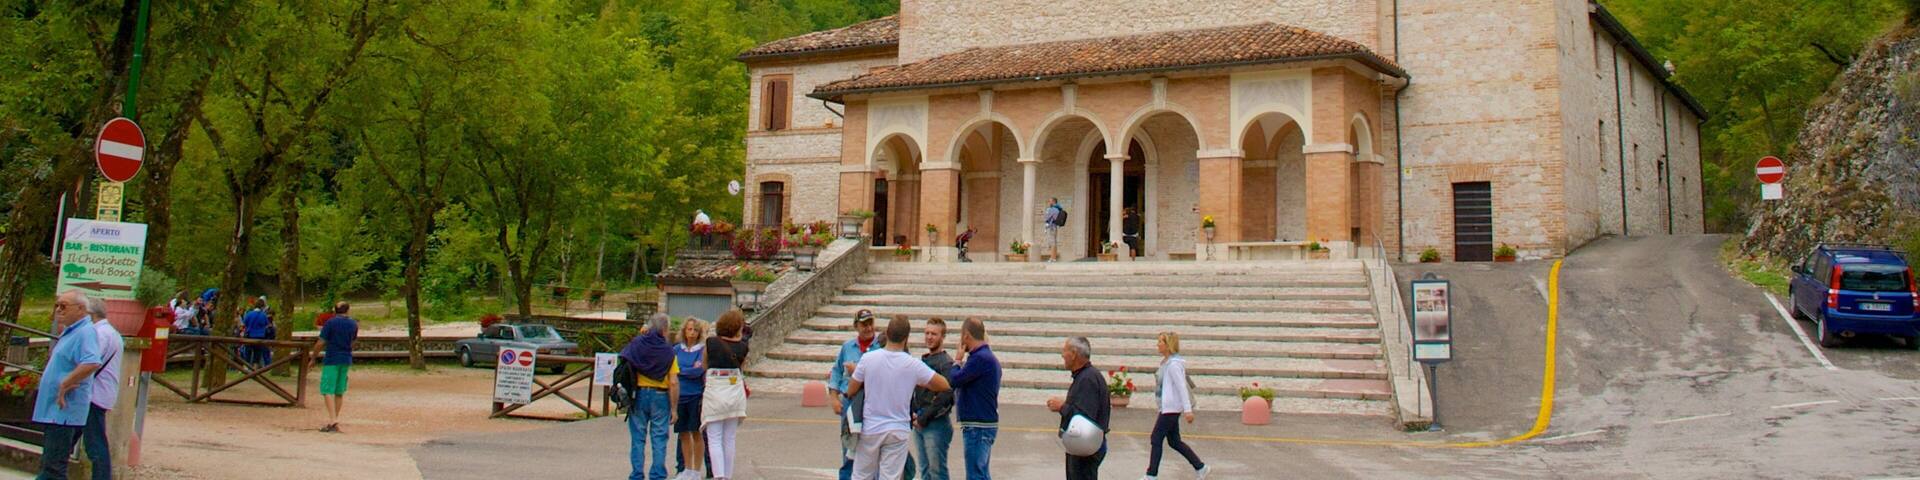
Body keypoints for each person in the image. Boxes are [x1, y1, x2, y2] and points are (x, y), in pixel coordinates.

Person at [844, 317, 951, 480]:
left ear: (887, 333)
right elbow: (944, 384)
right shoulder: (913, 364)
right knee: (890, 476)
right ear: (906, 338)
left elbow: (851, 389)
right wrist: (920, 382)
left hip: (870, 427)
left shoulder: (868, 359)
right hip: (897, 428)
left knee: (861, 475)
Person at [35, 291, 102, 479]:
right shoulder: (73, 331)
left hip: (64, 412)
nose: (58, 310)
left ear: (81, 309)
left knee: (52, 470)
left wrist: (66, 382)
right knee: (50, 466)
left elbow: (92, 361)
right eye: (57, 305)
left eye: (63, 306)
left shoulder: (85, 332)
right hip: (55, 412)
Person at [1141, 333, 1208, 480]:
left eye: (1160, 342)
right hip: (1166, 407)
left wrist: (1188, 410)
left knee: (1156, 438)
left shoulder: (1173, 365)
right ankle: (1200, 466)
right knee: (1174, 441)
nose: (1157, 344)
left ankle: (1151, 474)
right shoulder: (1166, 363)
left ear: (1168, 344)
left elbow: (1181, 388)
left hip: (1171, 409)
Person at [622, 313, 680, 480]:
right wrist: (674, 408)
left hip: (638, 393)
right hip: (660, 395)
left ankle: (637, 474)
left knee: (638, 437)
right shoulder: (668, 351)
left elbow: (626, 359)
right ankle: (657, 474)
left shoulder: (638, 344)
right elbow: (674, 382)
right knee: (659, 437)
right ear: (664, 330)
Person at [1046, 337, 1109, 480]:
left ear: (1074, 354)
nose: (1062, 355)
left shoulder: (1088, 379)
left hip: (1085, 449)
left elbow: (1085, 419)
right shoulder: (1085, 376)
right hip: (1082, 447)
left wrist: (1062, 407)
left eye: (1065, 351)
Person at [948, 318, 1001, 480]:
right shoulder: (986, 357)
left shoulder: (979, 358)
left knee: (975, 474)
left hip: (978, 426)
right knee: (981, 473)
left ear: (966, 336)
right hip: (983, 423)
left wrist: (957, 360)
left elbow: (955, 379)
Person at [702, 310, 751, 480]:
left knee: (714, 437)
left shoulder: (711, 343)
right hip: (734, 391)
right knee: (729, 438)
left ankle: (719, 475)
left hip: (715, 389)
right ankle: (728, 475)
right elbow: (741, 366)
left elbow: (704, 364)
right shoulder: (743, 347)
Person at [831, 310, 880, 480]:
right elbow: (836, 372)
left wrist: (857, 370)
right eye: (864, 324)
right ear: (856, 326)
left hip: (872, 404)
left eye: (870, 323)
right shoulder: (847, 347)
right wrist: (834, 397)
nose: (868, 328)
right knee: (849, 450)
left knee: (873, 454)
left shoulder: (880, 346)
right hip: (850, 404)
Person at [911, 318, 957, 480]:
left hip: (936, 423)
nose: (929, 337)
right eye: (927, 333)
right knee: (924, 471)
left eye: (934, 334)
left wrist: (924, 418)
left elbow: (946, 397)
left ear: (942, 337)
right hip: (919, 421)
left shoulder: (946, 364)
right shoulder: (922, 360)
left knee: (937, 471)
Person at [81, 296, 121, 480]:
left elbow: (91, 362)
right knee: (81, 438)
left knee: (95, 444)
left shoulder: (100, 334)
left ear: (90, 314)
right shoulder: (109, 332)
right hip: (99, 393)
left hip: (94, 395)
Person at [314, 302, 359, 433]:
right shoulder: (353, 324)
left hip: (332, 358)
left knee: (327, 389)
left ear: (335, 310)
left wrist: (313, 357)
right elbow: (354, 341)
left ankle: (333, 420)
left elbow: (321, 341)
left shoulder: (330, 323)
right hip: (345, 358)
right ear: (348, 310)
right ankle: (334, 419)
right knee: (339, 391)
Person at [673, 319, 709, 480]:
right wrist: (686, 370)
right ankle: (687, 468)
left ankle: (696, 470)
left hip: (695, 395)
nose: (691, 333)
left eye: (695, 330)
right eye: (689, 329)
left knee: (696, 432)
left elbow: (698, 371)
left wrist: (680, 370)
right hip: (680, 395)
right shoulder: (676, 350)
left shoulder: (702, 350)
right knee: (683, 434)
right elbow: (672, 370)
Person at [241, 297, 273, 369]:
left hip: (249, 335)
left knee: (248, 352)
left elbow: (244, 324)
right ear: (262, 307)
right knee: (257, 353)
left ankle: (246, 367)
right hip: (260, 336)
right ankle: (255, 368)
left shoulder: (249, 314)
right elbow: (267, 325)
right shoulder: (263, 315)